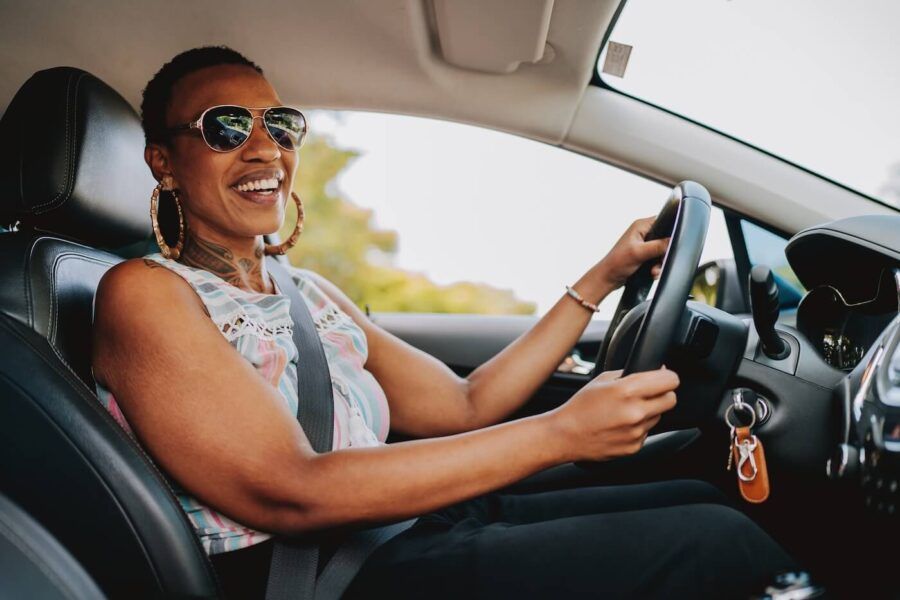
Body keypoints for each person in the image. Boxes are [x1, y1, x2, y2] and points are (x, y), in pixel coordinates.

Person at [91, 46, 795, 599]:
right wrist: (560, 433)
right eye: (226, 128)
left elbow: (466, 403)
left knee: (698, 495)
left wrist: (600, 277)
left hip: (398, 531)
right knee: (715, 545)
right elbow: (292, 488)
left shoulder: (303, 288)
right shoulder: (144, 293)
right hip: (318, 578)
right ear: (165, 162)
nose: (266, 149)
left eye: (281, 125)